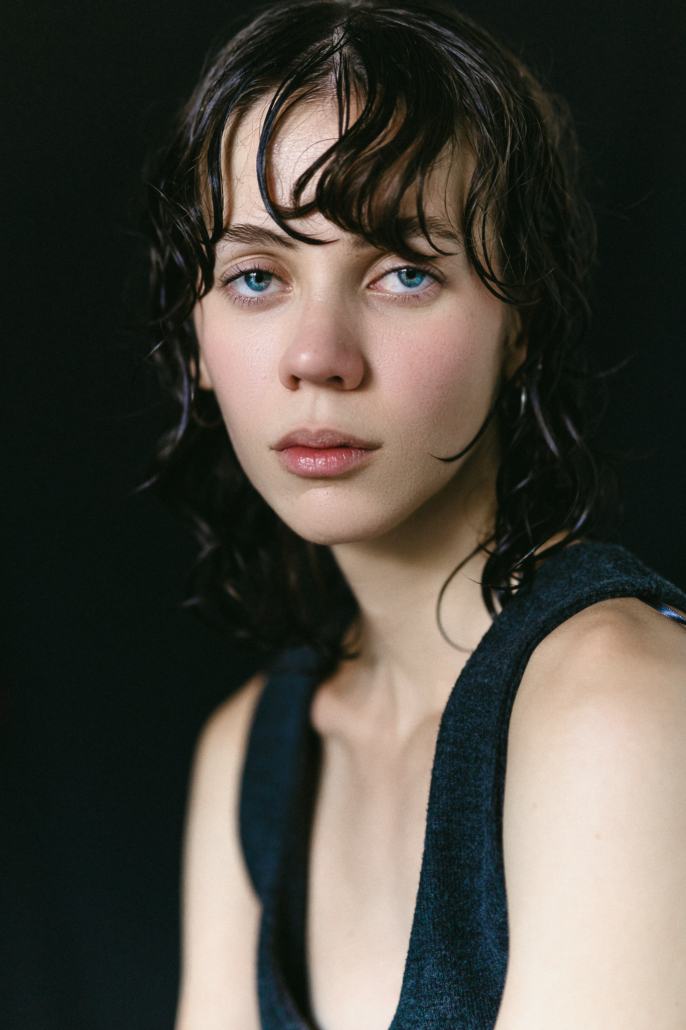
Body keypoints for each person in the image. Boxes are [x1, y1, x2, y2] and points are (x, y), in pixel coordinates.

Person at [141, 1, 686, 1027]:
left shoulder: (624, 705)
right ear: (195, 336)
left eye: (402, 272)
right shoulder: (252, 753)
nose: (318, 355)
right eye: (256, 276)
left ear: (518, 323)